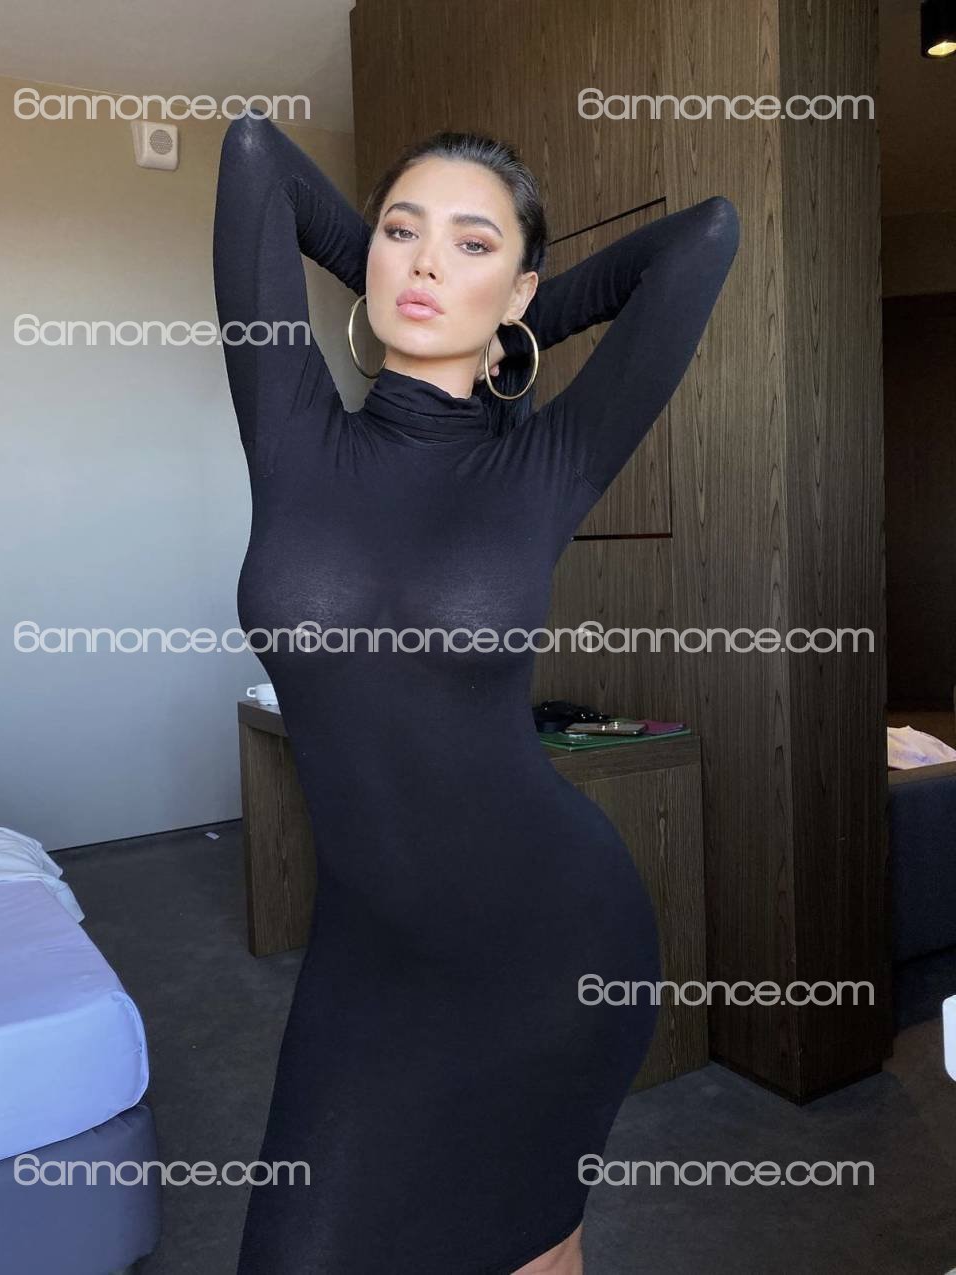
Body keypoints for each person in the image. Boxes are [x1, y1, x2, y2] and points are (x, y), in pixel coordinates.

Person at [213, 106, 740, 1274]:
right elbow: (255, 158)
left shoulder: (543, 463)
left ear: (520, 286)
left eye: (472, 242)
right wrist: (430, 274)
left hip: (548, 949)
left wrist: (507, 323)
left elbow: (702, 237)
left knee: (526, 1254)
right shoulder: (292, 430)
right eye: (402, 232)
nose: (425, 263)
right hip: (366, 958)